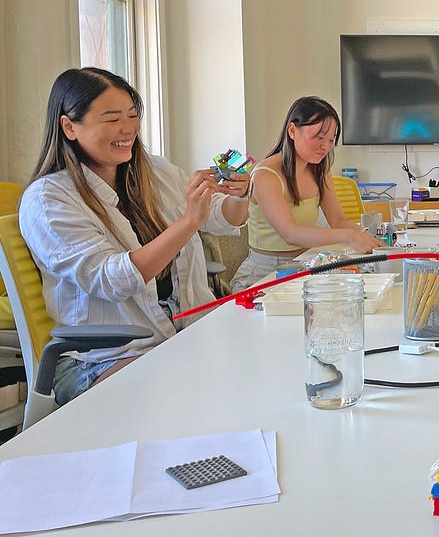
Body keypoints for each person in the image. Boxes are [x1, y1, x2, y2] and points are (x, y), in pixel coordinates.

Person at [20, 67, 251, 405]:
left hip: (178, 338)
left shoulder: (156, 172)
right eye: (112, 119)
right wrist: (188, 221)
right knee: (201, 397)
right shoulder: (48, 200)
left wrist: (238, 194)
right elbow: (115, 280)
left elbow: (221, 216)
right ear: (69, 126)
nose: (127, 128)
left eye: (133, 115)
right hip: (102, 358)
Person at [230, 96, 385, 292]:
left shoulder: (319, 170)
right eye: (319, 138)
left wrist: (367, 236)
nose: (325, 147)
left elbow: (337, 220)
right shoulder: (265, 175)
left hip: (303, 266)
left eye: (331, 140)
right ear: (292, 130)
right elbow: (290, 233)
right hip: (262, 275)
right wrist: (350, 236)